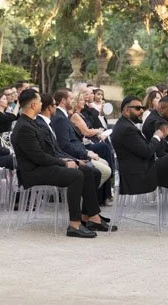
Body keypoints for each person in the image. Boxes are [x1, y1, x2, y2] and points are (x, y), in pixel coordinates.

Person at [10, 89, 112, 238]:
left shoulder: (31, 123)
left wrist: (71, 161)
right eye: (39, 101)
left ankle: (91, 217)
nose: (41, 104)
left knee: (87, 170)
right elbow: (38, 157)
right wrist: (65, 163)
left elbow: (46, 153)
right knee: (75, 175)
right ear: (33, 105)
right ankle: (74, 224)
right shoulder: (25, 126)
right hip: (32, 172)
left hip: (42, 166)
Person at [110, 96, 168, 234]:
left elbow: (145, 150)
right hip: (139, 177)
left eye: (142, 108)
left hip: (145, 171)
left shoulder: (127, 126)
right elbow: (147, 151)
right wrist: (158, 136)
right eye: (137, 108)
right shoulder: (125, 129)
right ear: (125, 110)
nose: (141, 111)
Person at [50, 90, 112, 199]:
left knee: (105, 163)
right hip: (72, 156)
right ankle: (86, 202)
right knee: (105, 171)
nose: (74, 101)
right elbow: (65, 145)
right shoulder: (60, 118)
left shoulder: (63, 116)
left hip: (78, 150)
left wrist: (87, 152)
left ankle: (91, 201)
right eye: (72, 99)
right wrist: (85, 154)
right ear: (64, 101)